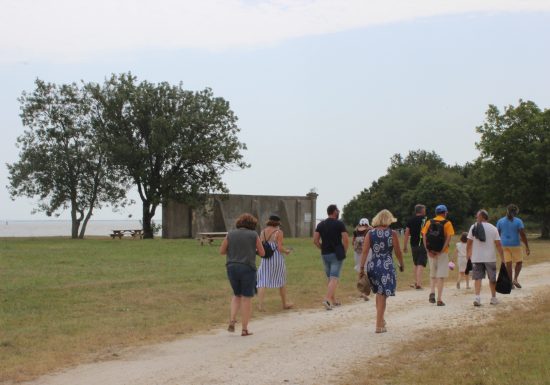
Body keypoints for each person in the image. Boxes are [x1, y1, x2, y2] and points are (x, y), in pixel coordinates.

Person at [359, 209, 404, 333]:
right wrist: (401, 264)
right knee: (383, 295)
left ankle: (381, 319)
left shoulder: (370, 233)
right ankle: (379, 325)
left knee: (379, 294)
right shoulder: (392, 233)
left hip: (373, 265)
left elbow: (365, 251)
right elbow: (398, 251)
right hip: (386, 265)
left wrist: (362, 268)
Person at [219, 213, 265, 336]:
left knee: (236, 295)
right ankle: (244, 329)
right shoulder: (253, 234)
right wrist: (251, 250)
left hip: (231, 267)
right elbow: (262, 252)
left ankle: (232, 320)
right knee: (246, 298)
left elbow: (222, 251)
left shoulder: (231, 234)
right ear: (252, 224)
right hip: (247, 267)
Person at [313, 204, 349, 310]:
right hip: (336, 254)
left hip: (325, 254)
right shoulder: (339, 224)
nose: (338, 212)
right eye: (337, 210)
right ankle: (327, 299)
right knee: (334, 278)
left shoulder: (320, 224)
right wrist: (344, 251)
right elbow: (346, 239)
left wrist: (322, 248)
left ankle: (333, 300)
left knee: (330, 278)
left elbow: (315, 240)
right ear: (334, 212)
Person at [467, 209, 505, 306]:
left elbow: (469, 243)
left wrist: (468, 254)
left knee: (477, 278)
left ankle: (477, 297)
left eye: (477, 216)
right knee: (492, 279)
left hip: (477, 257)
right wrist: (502, 258)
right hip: (490, 258)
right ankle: (493, 298)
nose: (476, 218)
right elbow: (498, 245)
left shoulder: (473, 226)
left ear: (482, 217)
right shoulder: (493, 228)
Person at [257, 214, 294, 311]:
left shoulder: (262, 232)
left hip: (265, 258)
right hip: (276, 258)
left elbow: (261, 245)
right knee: (281, 281)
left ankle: (260, 305)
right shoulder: (279, 232)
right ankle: (284, 304)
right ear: (277, 223)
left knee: (263, 281)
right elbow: (279, 247)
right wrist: (287, 251)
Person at [421, 204, 454, 306]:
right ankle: (439, 299)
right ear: (445, 213)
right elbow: (448, 237)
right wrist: (441, 250)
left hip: (431, 252)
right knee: (440, 276)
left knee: (433, 274)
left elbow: (424, 236)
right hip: (442, 253)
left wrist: (428, 250)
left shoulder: (429, 222)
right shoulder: (447, 223)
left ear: (436, 213)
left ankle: (432, 292)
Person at [496, 204, 530, 289]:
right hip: (515, 245)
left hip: (505, 245)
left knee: (509, 264)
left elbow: (497, 234)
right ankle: (515, 279)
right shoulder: (518, 221)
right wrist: (527, 246)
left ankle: (510, 283)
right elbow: (522, 234)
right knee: (519, 262)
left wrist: (499, 243)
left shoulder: (500, 221)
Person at [403, 204, 427, 290]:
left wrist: (405, 245)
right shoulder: (425, 220)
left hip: (413, 244)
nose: (425, 211)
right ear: (422, 211)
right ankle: (419, 284)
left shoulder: (410, 220)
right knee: (421, 263)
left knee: (416, 263)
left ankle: (416, 282)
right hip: (422, 243)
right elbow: (426, 233)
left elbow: (406, 233)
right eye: (424, 210)